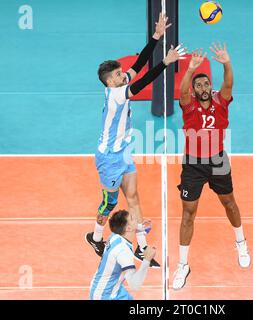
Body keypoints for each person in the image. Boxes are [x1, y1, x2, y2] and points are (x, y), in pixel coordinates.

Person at [86, 13, 186, 268]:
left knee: (134, 198)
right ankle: (95, 237)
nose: (124, 75)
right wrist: (165, 62)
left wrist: (155, 37)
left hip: (123, 152)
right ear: (111, 81)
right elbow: (142, 83)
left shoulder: (118, 84)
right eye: (120, 74)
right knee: (110, 203)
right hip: (108, 157)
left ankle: (141, 248)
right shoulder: (117, 94)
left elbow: (139, 64)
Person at [172, 43, 251, 290]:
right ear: (194, 90)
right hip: (193, 164)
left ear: (211, 87)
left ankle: (241, 244)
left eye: (206, 84)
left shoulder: (221, 102)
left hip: (217, 160)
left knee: (229, 203)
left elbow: (228, 85)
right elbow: (182, 92)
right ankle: (183, 265)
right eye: (199, 85)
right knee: (188, 213)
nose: (203, 88)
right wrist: (189, 71)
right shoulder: (189, 105)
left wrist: (226, 63)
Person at [89, 209, 156, 300]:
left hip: (111, 288)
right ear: (128, 228)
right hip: (104, 296)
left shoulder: (115, 236)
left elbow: (127, 231)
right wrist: (147, 259)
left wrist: (138, 228)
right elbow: (134, 285)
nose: (136, 218)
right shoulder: (123, 251)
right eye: (132, 219)